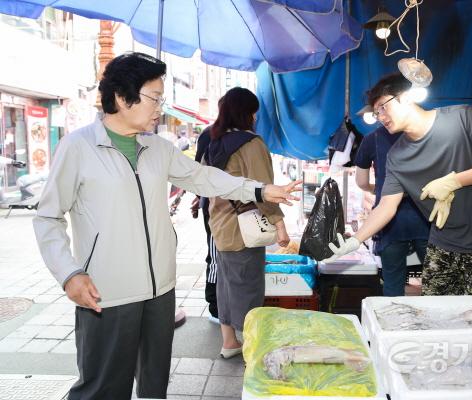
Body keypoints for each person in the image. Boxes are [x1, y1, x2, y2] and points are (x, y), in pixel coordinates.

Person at [32, 52, 300, 400]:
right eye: (154, 98)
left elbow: (204, 179)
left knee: (155, 385)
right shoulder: (78, 147)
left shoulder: (157, 147)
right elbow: (47, 217)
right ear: (121, 97)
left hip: (161, 289)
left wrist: (260, 189)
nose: (160, 107)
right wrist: (69, 273)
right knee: (102, 388)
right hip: (107, 292)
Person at [325, 73, 472, 296]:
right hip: (443, 244)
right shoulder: (397, 156)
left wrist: (454, 181)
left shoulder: (463, 118)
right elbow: (387, 206)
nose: (380, 117)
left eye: (383, 108)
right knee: (436, 315)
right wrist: (356, 240)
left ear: (406, 97)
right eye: (376, 113)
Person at [205, 87, 290, 359]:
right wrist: (280, 225)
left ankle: (229, 342)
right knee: (248, 289)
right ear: (249, 114)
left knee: (227, 286)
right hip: (245, 228)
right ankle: (253, 351)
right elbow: (264, 189)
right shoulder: (251, 144)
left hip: (219, 225)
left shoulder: (213, 140)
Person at [354, 125, 430, 296]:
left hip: (389, 222)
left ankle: (395, 321)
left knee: (393, 283)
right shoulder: (425, 133)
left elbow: (361, 182)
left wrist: (379, 189)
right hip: (427, 218)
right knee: (437, 280)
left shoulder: (372, 138)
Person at [193, 124, 219, 323]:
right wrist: (200, 196)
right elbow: (197, 170)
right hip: (213, 205)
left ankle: (219, 304)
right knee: (216, 254)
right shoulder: (211, 134)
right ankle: (214, 304)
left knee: (218, 254)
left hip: (212, 202)